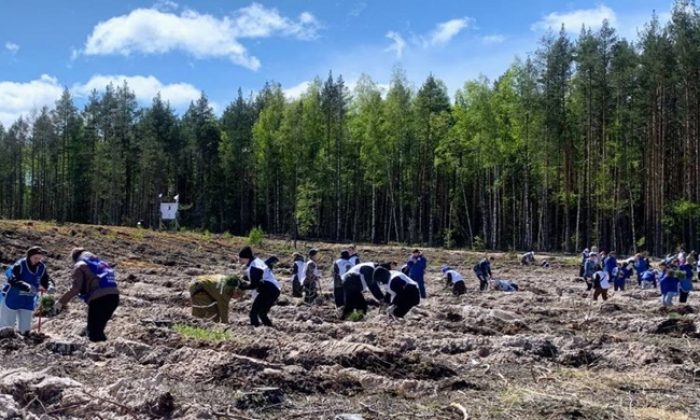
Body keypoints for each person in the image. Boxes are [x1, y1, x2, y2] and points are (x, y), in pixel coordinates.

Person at [56, 248, 119, 342]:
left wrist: (60, 303)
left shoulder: (80, 264)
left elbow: (75, 289)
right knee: (98, 330)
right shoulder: (100, 263)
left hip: (99, 299)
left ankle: (97, 354)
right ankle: (104, 351)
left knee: (93, 332)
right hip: (114, 297)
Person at [0, 247, 54, 334]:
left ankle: (23, 345)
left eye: (40, 258)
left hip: (28, 301)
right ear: (29, 256)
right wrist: (26, 286)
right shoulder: (19, 265)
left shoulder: (41, 267)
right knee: (6, 329)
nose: (38, 260)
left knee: (25, 331)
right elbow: (12, 279)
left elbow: (46, 280)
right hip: (11, 300)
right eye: (35, 258)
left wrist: (50, 286)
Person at [238, 246, 281, 327]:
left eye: (240, 259)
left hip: (269, 290)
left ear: (245, 258)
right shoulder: (256, 261)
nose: (240, 261)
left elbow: (254, 285)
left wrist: (242, 287)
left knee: (254, 313)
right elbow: (257, 277)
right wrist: (245, 279)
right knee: (262, 313)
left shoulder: (254, 267)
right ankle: (269, 329)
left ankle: (256, 330)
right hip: (273, 289)